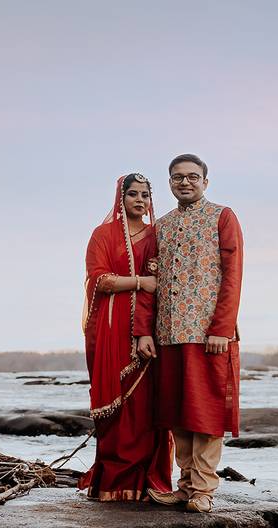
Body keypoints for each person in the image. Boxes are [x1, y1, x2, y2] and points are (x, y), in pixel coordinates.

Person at [134, 154, 244, 513]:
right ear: (169, 183)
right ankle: (184, 486)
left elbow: (232, 276)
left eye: (192, 177)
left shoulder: (222, 217)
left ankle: (204, 490)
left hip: (209, 335)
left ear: (205, 182)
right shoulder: (160, 227)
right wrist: (142, 332)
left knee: (207, 412)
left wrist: (222, 329)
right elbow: (149, 286)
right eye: (178, 177)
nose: (185, 182)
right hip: (167, 335)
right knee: (177, 413)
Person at [79, 173, 173, 501]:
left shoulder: (158, 235)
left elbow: (166, 276)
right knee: (115, 407)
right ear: (121, 198)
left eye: (145, 194)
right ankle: (113, 483)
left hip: (149, 329)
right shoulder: (103, 234)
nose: (139, 200)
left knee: (148, 405)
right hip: (109, 331)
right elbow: (99, 279)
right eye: (132, 194)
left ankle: (148, 481)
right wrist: (140, 282)